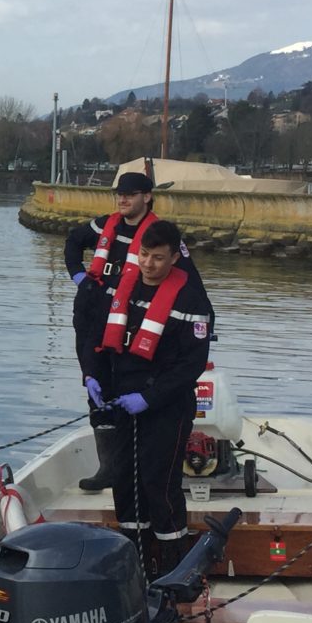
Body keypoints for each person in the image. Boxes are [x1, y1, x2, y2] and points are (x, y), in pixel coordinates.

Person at [64, 171, 204, 491]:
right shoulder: (104, 225)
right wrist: (78, 277)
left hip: (128, 316)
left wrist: (199, 321)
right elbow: (73, 241)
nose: (123, 200)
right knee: (94, 382)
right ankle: (108, 467)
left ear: (147, 197)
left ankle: (132, 465)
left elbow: (189, 280)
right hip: (93, 312)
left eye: (130, 194)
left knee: (125, 383)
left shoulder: (159, 237)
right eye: (120, 195)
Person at [88, 219, 212, 573]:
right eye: (143, 255)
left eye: (158, 258)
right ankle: (134, 563)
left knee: (159, 481)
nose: (148, 264)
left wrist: (151, 398)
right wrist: (92, 377)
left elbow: (192, 365)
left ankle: (175, 568)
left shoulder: (191, 299)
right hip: (123, 400)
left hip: (166, 406)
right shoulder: (120, 287)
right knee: (124, 480)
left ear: (175, 258)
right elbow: (96, 337)